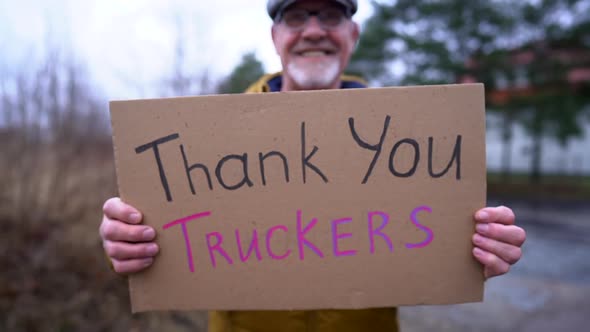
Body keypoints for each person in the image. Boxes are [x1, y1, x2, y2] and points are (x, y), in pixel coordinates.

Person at [100, 1, 527, 331]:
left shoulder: (407, 144)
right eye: (297, 16)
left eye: (330, 16)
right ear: (275, 35)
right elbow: (162, 243)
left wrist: (477, 251)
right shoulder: (200, 147)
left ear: (353, 33)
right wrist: (130, 239)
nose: (314, 31)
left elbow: (431, 248)